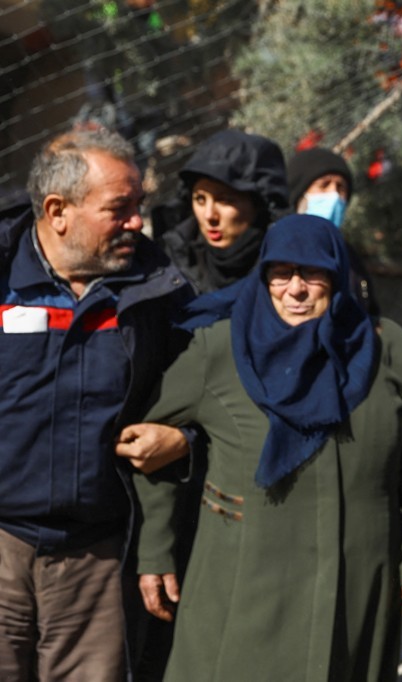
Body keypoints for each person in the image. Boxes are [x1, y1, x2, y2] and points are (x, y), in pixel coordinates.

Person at [126, 214, 402, 681]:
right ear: (264, 276)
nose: (295, 289)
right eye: (281, 273)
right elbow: (148, 445)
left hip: (358, 577)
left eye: (312, 273)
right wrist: (156, 549)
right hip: (244, 579)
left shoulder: (389, 350)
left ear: (337, 275)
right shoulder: (219, 350)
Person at [0, 128, 193, 678]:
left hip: (98, 557)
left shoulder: (161, 293)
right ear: (58, 210)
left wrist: (183, 439)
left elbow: (212, 402)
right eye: (119, 208)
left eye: (141, 206)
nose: (137, 221)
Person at [160, 129, 290, 293]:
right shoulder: (173, 262)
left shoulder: (290, 264)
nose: (209, 216)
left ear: (258, 204)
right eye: (200, 199)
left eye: (225, 200)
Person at [287, 146, 380, 316]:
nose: (334, 195)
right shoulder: (278, 250)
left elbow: (368, 308)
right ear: (299, 194)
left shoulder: (350, 258)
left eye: (340, 187)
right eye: (324, 185)